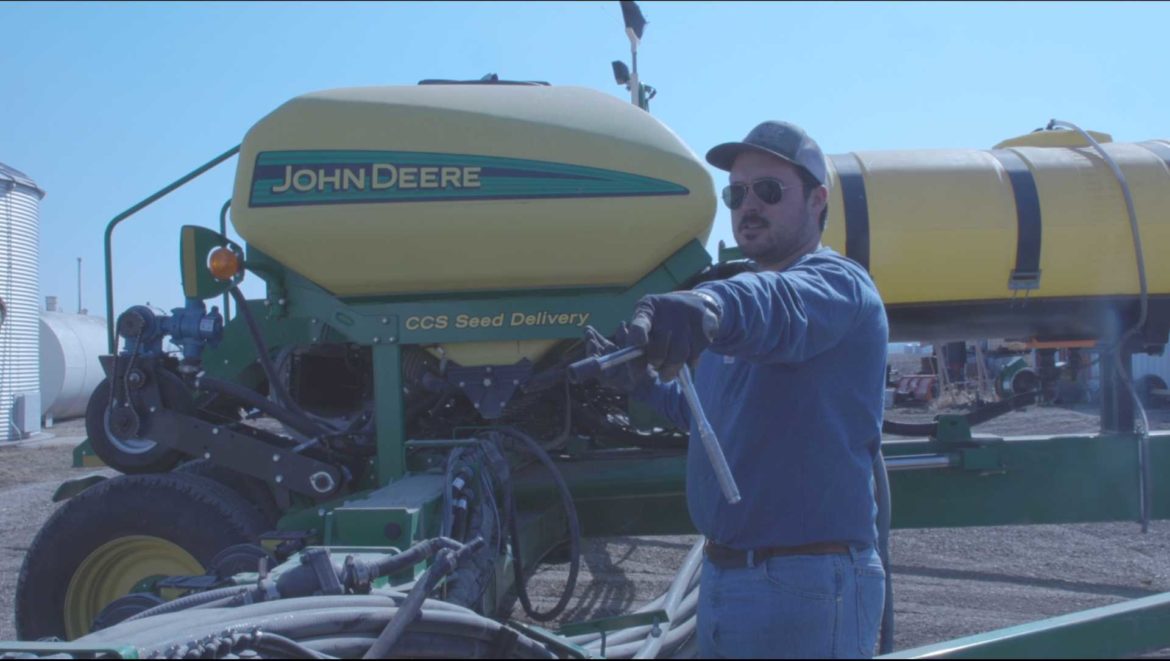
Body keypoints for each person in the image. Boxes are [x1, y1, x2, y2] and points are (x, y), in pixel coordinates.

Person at [585, 120, 889, 658]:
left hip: (804, 586)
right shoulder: (738, 309)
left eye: (769, 191)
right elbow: (712, 417)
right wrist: (643, 382)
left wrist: (705, 306)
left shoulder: (836, 284)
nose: (749, 205)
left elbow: (776, 303)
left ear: (818, 200)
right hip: (729, 576)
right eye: (737, 192)